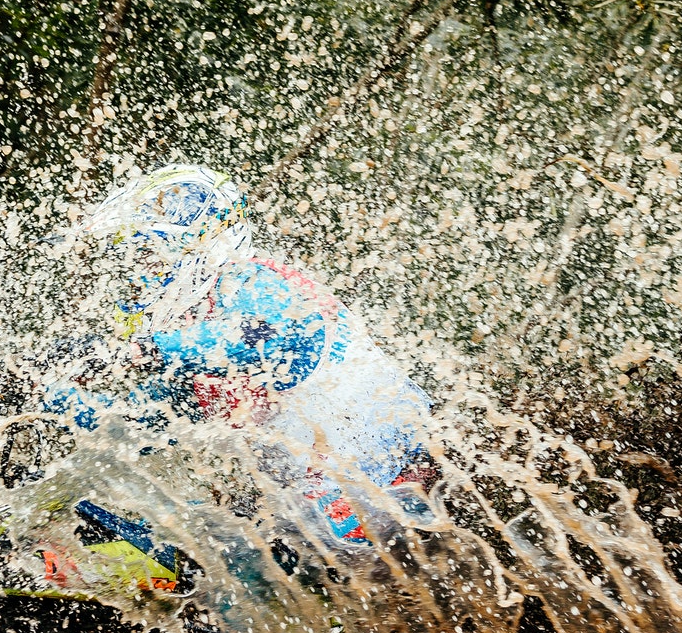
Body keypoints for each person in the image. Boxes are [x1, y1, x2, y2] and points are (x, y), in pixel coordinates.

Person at [40, 164, 433, 550]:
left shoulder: (252, 280)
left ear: (193, 243)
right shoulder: (193, 340)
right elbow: (136, 427)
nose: (138, 273)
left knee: (226, 552)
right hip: (326, 518)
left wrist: (140, 351)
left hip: (397, 489)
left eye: (147, 254)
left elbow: (267, 337)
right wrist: (48, 397)